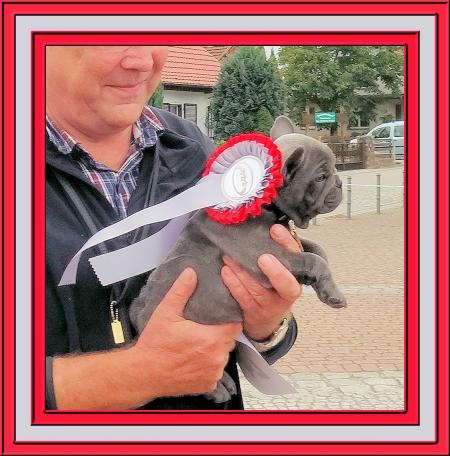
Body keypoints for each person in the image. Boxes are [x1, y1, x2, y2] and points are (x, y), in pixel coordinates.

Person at [45, 45, 302, 410]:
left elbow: (249, 339)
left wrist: (267, 322)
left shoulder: (193, 147)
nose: (142, 60)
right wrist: (134, 374)